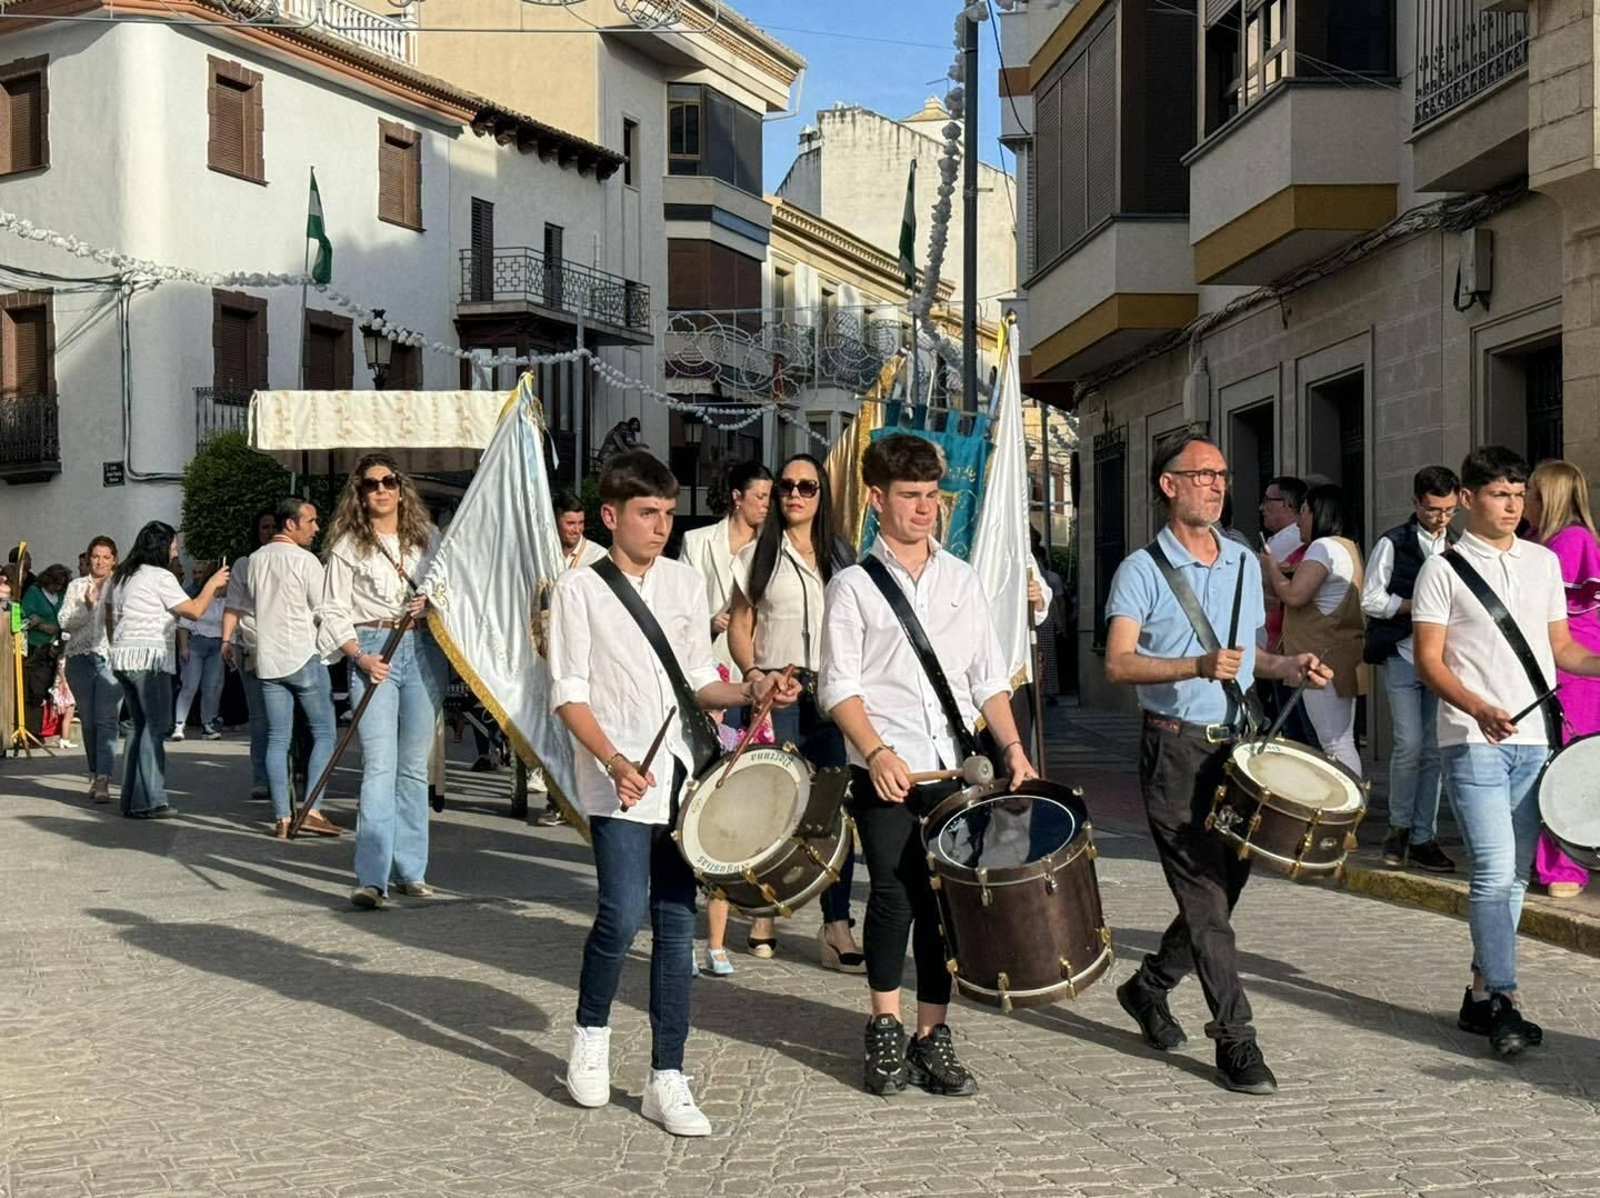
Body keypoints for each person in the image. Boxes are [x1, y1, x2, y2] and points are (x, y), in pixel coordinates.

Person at [549, 450, 797, 1137]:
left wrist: (750, 688)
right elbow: (568, 692)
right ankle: (592, 1035)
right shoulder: (577, 589)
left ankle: (668, 1075)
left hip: (685, 777)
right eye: (646, 514)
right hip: (617, 782)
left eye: (666, 513)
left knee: (677, 921)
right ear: (611, 516)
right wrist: (613, 758)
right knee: (622, 916)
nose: (660, 526)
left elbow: (697, 677)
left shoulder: (687, 585)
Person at [1104, 432, 1332, 1095]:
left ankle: (1147, 988)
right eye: (1201, 474)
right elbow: (1119, 662)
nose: (1215, 484)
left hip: (1237, 747)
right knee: (1206, 901)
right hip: (1173, 747)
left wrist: (1289, 665)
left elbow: (1245, 653)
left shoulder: (1239, 558)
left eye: (1222, 474)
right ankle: (1237, 1040)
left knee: (1227, 888)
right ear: (1168, 484)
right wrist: (1193, 665)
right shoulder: (1141, 570)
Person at [818, 433, 1037, 1099]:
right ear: (878, 499)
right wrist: (877, 751)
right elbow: (838, 687)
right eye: (910, 497)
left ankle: (931, 1036)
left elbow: (986, 680)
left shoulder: (961, 579)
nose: (924, 510)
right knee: (891, 896)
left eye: (932, 498)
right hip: (886, 769)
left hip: (951, 773)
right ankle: (884, 1029)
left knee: (943, 902)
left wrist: (1015, 750)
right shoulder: (853, 586)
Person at [1412, 445, 1600, 1057]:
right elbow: (1428, 661)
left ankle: (1477, 992)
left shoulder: (1544, 563)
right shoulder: (1442, 569)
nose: (1513, 504)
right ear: (1468, 499)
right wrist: (1476, 707)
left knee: (1514, 876)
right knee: (1494, 872)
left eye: (1519, 493)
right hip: (1472, 742)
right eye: (1499, 493)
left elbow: (1562, 650)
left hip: (1535, 740)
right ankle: (1506, 998)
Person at [728, 453, 861, 978]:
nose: (796, 495)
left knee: (833, 807)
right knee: (776, 804)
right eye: (786, 486)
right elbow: (741, 627)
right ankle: (764, 910)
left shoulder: (843, 557)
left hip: (829, 695)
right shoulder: (759, 555)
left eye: (807, 486)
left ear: (821, 494)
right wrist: (755, 675)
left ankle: (837, 926)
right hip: (777, 693)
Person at [321, 454, 447, 910]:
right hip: (374, 647)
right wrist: (358, 654)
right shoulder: (348, 545)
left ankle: (412, 869)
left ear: (401, 487)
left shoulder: (427, 538)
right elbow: (332, 607)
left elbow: (452, 589)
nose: (381, 490)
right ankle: (371, 877)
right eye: (371, 483)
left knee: (414, 766)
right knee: (379, 765)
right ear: (359, 493)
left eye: (389, 481)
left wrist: (431, 603)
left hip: (423, 649)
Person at [678, 462, 773, 960]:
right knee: (716, 784)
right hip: (712, 677)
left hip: (760, 676)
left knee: (761, 788)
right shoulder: (697, 543)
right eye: (760, 495)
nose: (767, 504)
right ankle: (714, 902)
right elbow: (681, 610)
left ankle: (761, 917)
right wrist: (711, 620)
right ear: (737, 497)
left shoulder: (773, 548)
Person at [1363, 466, 1460, 873]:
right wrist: (1413, 606)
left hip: (1441, 658)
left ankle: (1424, 834)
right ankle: (1399, 828)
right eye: (1434, 510)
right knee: (1409, 745)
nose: (1441, 519)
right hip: (1403, 652)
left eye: (1450, 511)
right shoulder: (1393, 542)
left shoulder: (1457, 546)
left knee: (1435, 750)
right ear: (1416, 503)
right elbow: (1370, 599)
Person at [105, 522, 230, 819]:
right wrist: (212, 584)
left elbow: (110, 616)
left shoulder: (123, 575)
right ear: (161, 546)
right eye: (173, 546)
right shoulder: (160, 576)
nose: (176, 551)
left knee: (139, 728)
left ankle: (133, 800)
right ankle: (150, 800)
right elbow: (195, 611)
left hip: (123, 656)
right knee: (155, 728)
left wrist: (118, 644)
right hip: (149, 658)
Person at [237, 498, 342, 840]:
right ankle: (312, 808)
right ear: (291, 524)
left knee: (277, 738)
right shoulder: (306, 560)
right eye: (310, 521)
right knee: (325, 733)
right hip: (303, 654)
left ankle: (282, 817)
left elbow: (248, 609)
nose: (316, 527)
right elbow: (324, 608)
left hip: (268, 659)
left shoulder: (255, 559)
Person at [1524, 460, 1600, 899]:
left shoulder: (1570, 541)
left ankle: (1565, 867)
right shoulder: (1539, 540)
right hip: (1550, 665)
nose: (1522, 500)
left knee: (1568, 767)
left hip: (1576, 668)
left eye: (1529, 491)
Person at [1261, 484, 1368, 777]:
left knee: (1334, 743)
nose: (1299, 521)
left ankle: (1346, 808)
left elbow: (1294, 596)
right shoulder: (1347, 546)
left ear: (1319, 512)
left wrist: (1271, 566)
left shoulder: (1324, 547)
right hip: (1339, 654)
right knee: (1339, 740)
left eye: (1304, 512)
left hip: (1322, 657)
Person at [531, 490, 610, 825]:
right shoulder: (540, 554)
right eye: (569, 523)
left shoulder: (597, 555)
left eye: (580, 523)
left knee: (578, 729)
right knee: (551, 732)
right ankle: (557, 799)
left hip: (584, 654)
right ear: (556, 522)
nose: (575, 530)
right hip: (542, 653)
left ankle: (583, 800)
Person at [221, 509, 282, 801]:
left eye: (273, 526)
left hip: (287, 647)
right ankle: (261, 778)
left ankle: (286, 773)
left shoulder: (292, 560)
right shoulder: (245, 564)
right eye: (263, 527)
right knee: (260, 718)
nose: (269, 531)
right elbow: (232, 605)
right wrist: (226, 640)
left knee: (284, 718)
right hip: (253, 646)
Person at [59, 537, 120, 801]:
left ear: (114, 559)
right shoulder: (77, 586)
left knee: (107, 719)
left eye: (106, 557)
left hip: (109, 657)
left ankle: (104, 778)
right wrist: (87, 605)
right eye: (96, 556)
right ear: (88, 558)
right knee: (90, 722)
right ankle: (94, 773)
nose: (100, 562)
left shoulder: (120, 585)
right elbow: (64, 621)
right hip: (79, 658)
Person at [171, 560, 226, 741]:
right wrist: (184, 647)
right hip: (197, 642)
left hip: (216, 645)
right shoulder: (201, 598)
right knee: (189, 685)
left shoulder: (226, 602)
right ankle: (179, 724)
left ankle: (207, 724)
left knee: (211, 687)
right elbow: (184, 624)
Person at [21, 563, 70, 737]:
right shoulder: (35, 592)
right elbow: (23, 614)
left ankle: (52, 726)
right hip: (38, 645)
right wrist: (41, 625)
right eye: (56, 583)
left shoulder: (63, 594)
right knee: (37, 685)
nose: (58, 586)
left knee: (56, 684)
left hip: (57, 644)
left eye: (62, 583)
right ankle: (36, 727)